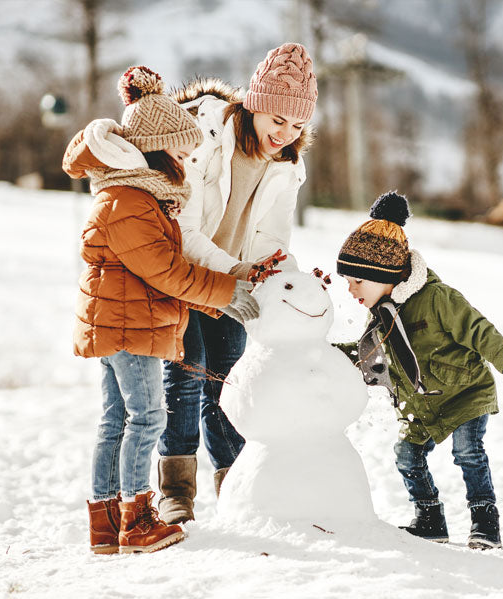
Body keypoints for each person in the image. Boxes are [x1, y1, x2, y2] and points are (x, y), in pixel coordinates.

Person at [62, 65, 260, 554]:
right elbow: (166, 270)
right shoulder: (129, 200)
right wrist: (226, 290)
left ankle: (107, 527)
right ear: (154, 147)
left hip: (123, 322)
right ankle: (137, 518)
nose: (186, 160)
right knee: (147, 417)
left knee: (116, 420)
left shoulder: (137, 196)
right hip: (129, 326)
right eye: (179, 150)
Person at [155, 43, 318, 524]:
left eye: (297, 126)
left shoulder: (287, 165)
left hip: (234, 284)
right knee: (186, 376)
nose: (284, 134)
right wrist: (235, 272)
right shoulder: (204, 135)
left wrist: (292, 282)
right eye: (277, 120)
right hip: (183, 273)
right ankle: (177, 491)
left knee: (228, 383)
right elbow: (184, 228)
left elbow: (272, 239)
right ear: (255, 105)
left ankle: (237, 484)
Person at [334, 191, 503, 550]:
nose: (350, 288)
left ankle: (484, 522)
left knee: (467, 453)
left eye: (357, 280)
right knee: (406, 455)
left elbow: (480, 331)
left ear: (383, 274)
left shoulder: (437, 298)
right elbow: (367, 355)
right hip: (422, 405)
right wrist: (323, 357)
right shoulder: (382, 313)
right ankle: (430, 519)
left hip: (465, 393)